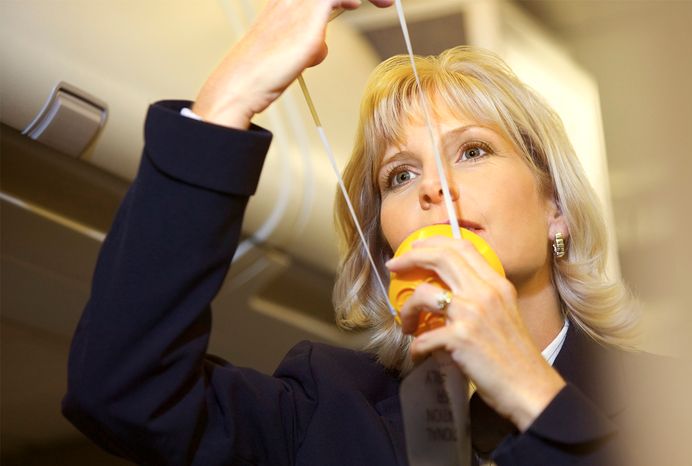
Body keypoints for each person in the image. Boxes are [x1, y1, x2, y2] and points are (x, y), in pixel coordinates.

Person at [62, 0, 642, 464]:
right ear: (387, 244)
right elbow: (122, 393)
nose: (432, 189)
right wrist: (228, 98)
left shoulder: (673, 405)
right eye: (401, 174)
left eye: (471, 150)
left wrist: (530, 391)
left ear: (555, 209)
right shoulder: (327, 411)